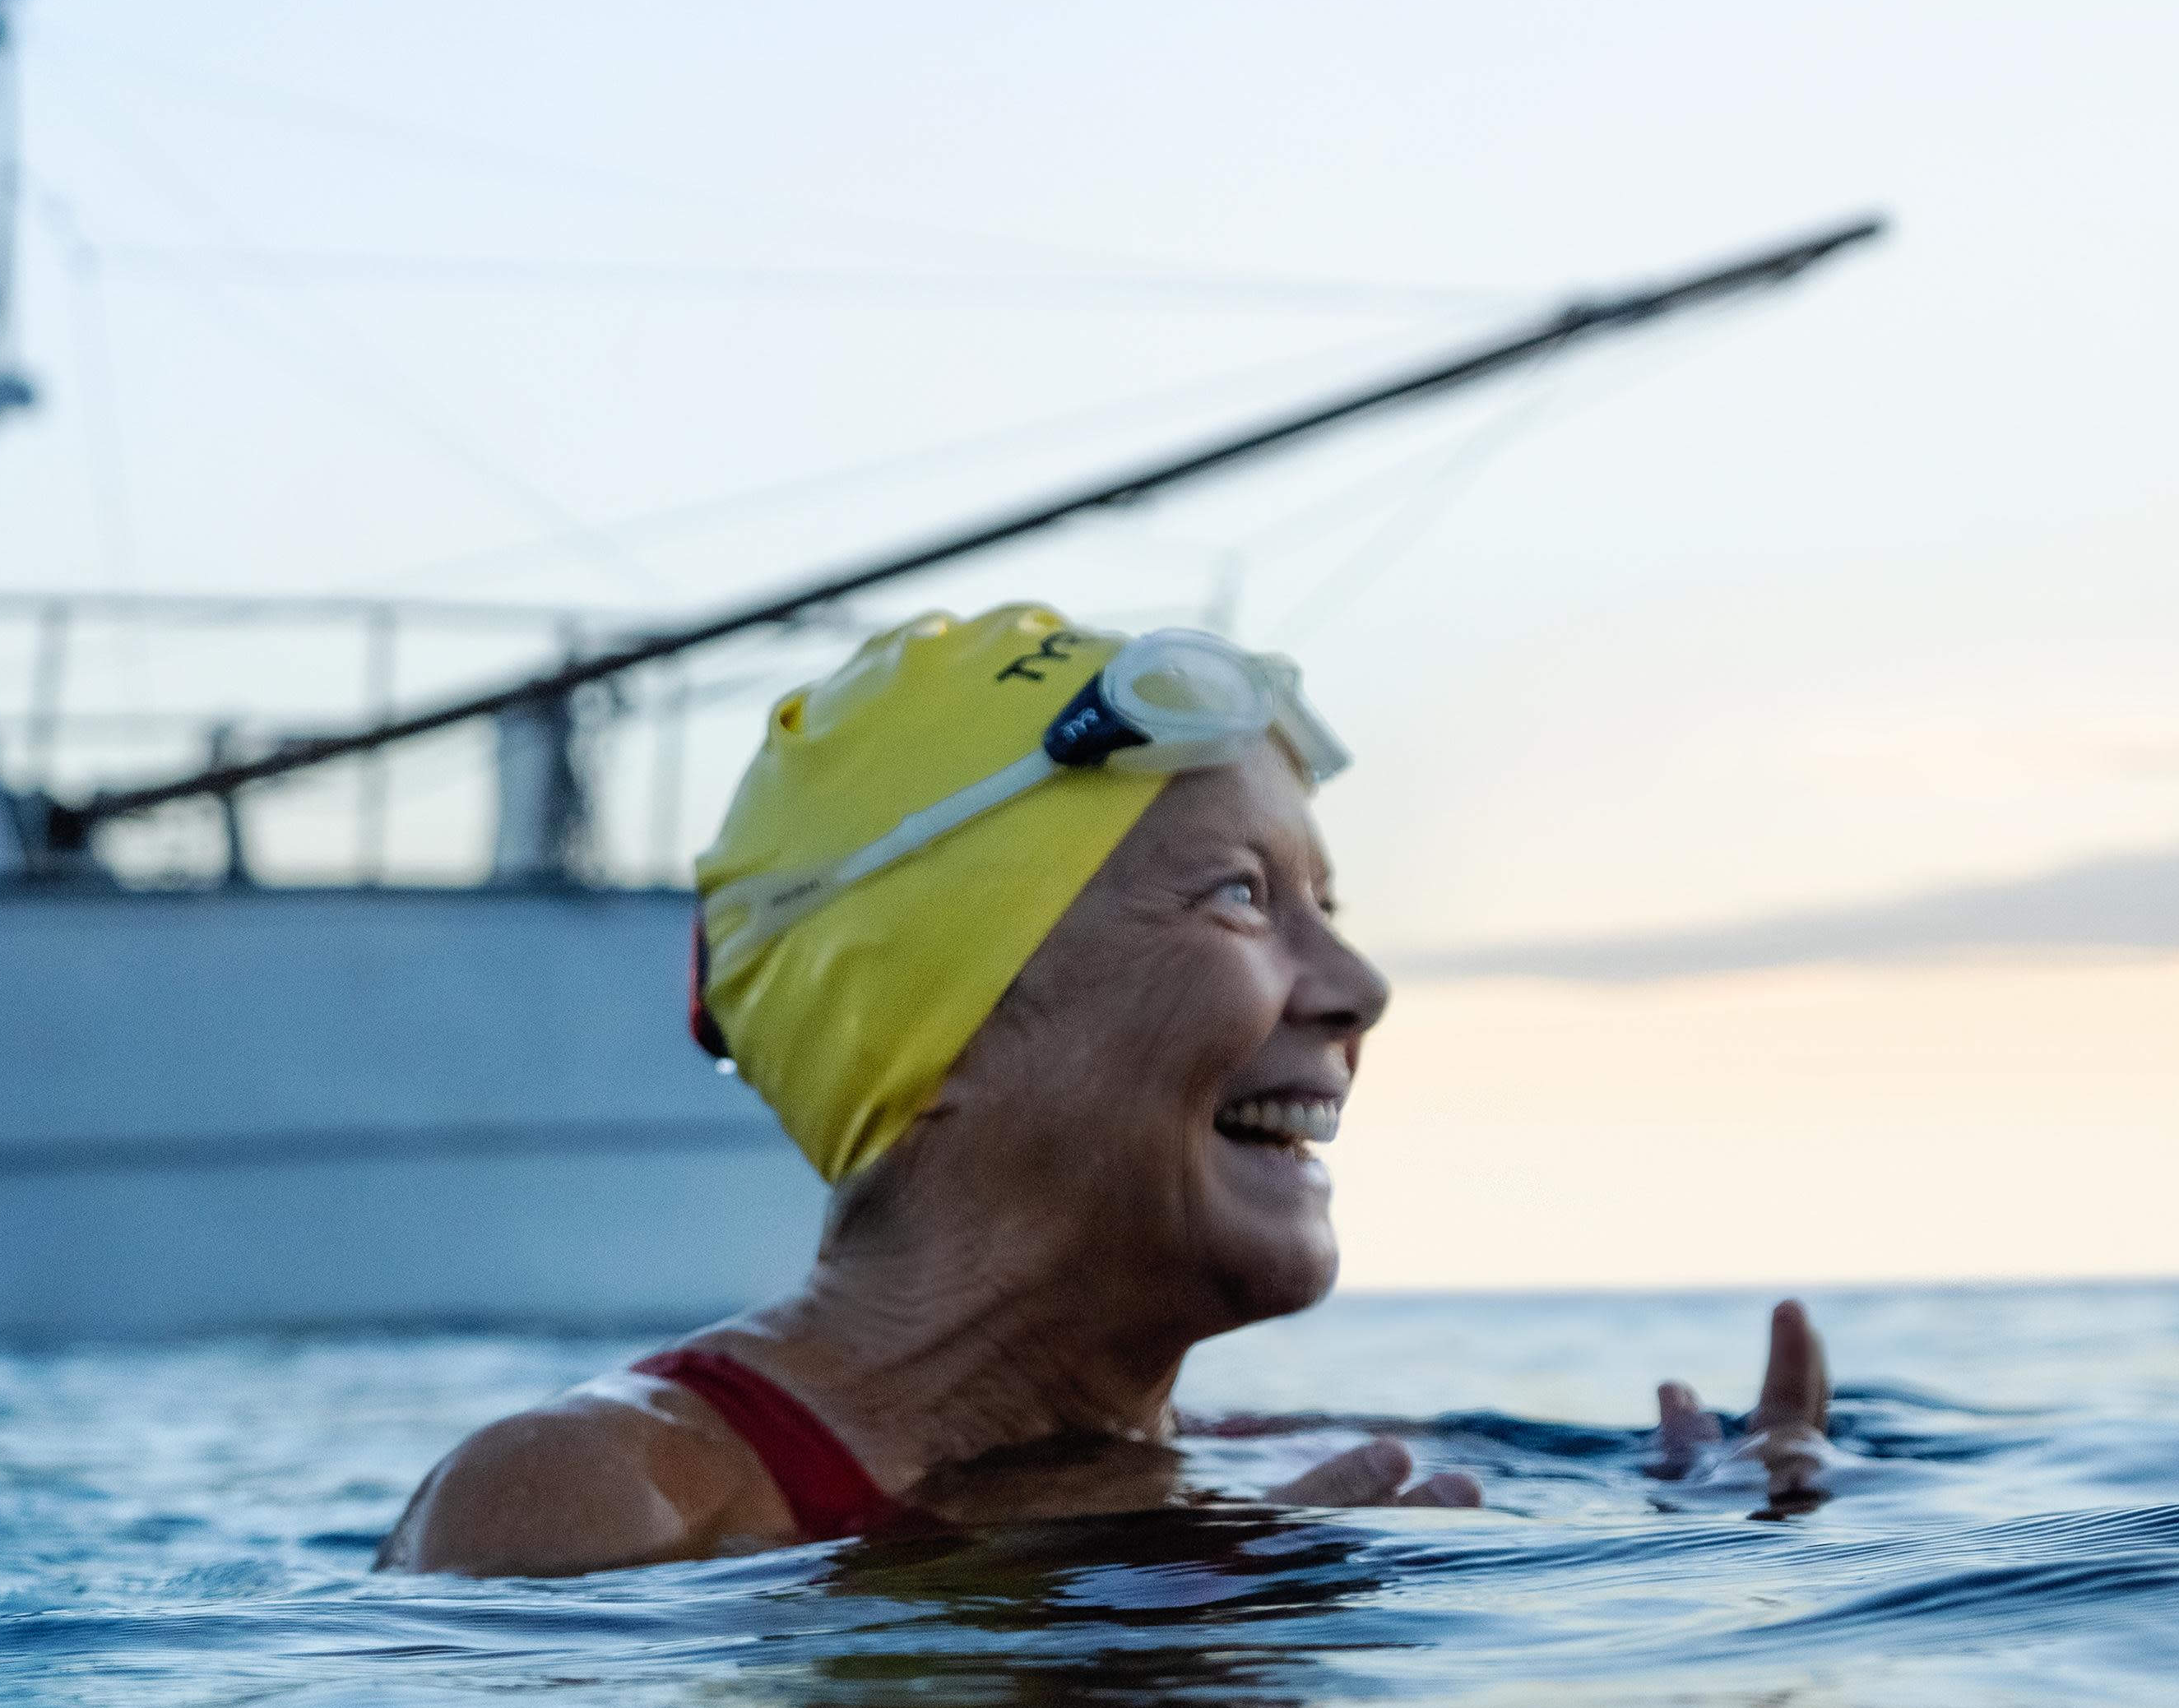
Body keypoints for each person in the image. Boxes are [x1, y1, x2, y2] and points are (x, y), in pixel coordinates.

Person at [382, 609, 1832, 1574]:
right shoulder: (596, 1501)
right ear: (932, 1031)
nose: (1357, 987)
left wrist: (1734, 1519)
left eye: (1329, 904)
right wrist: (1137, 1606)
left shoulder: (1268, 1461)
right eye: (1241, 898)